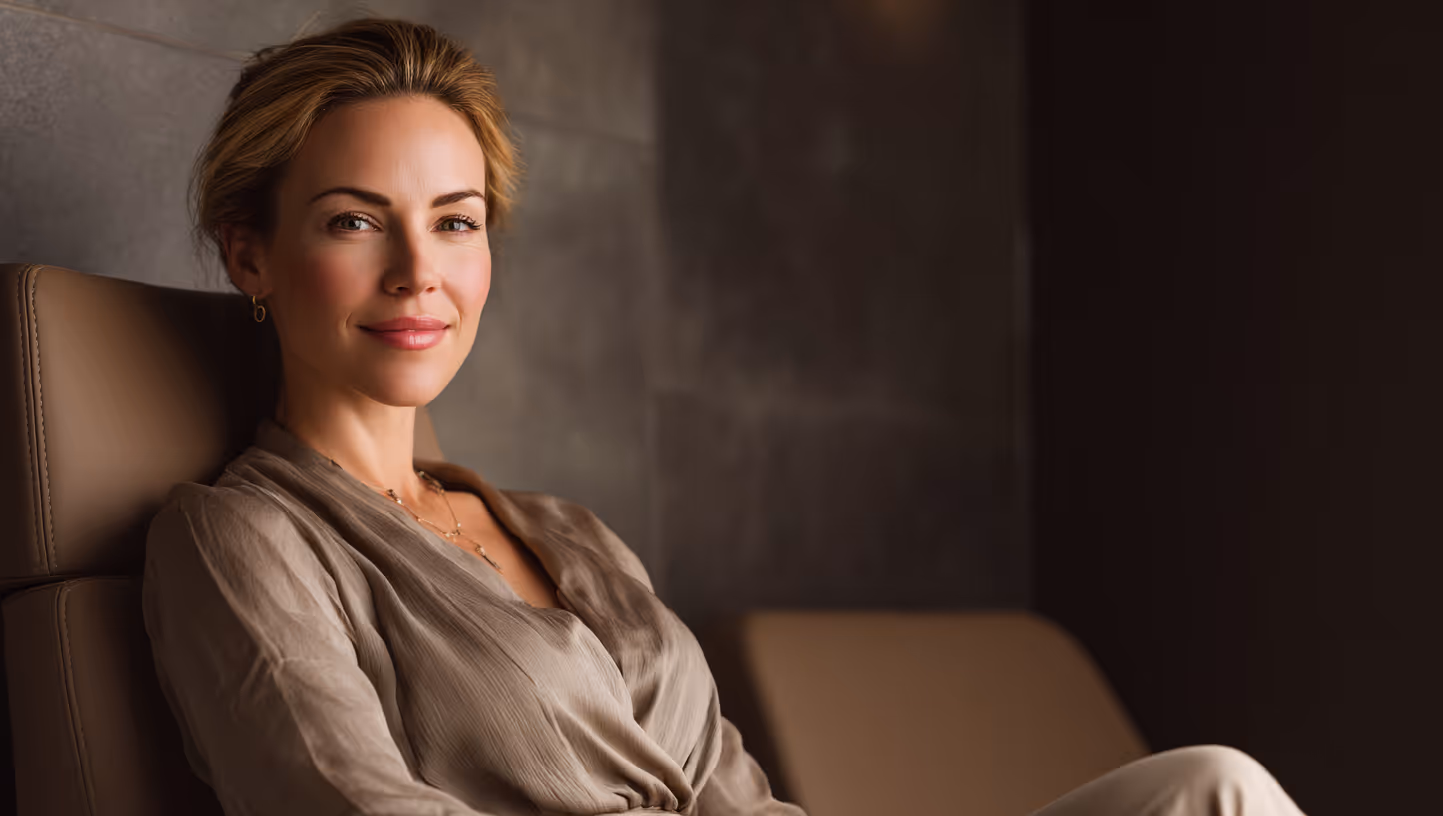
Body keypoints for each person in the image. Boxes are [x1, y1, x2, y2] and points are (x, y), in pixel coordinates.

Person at [140, 16, 1309, 816]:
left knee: (1212, 789)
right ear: (251, 254)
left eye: (454, 221)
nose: (418, 273)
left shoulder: (569, 535)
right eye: (354, 220)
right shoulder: (241, 539)